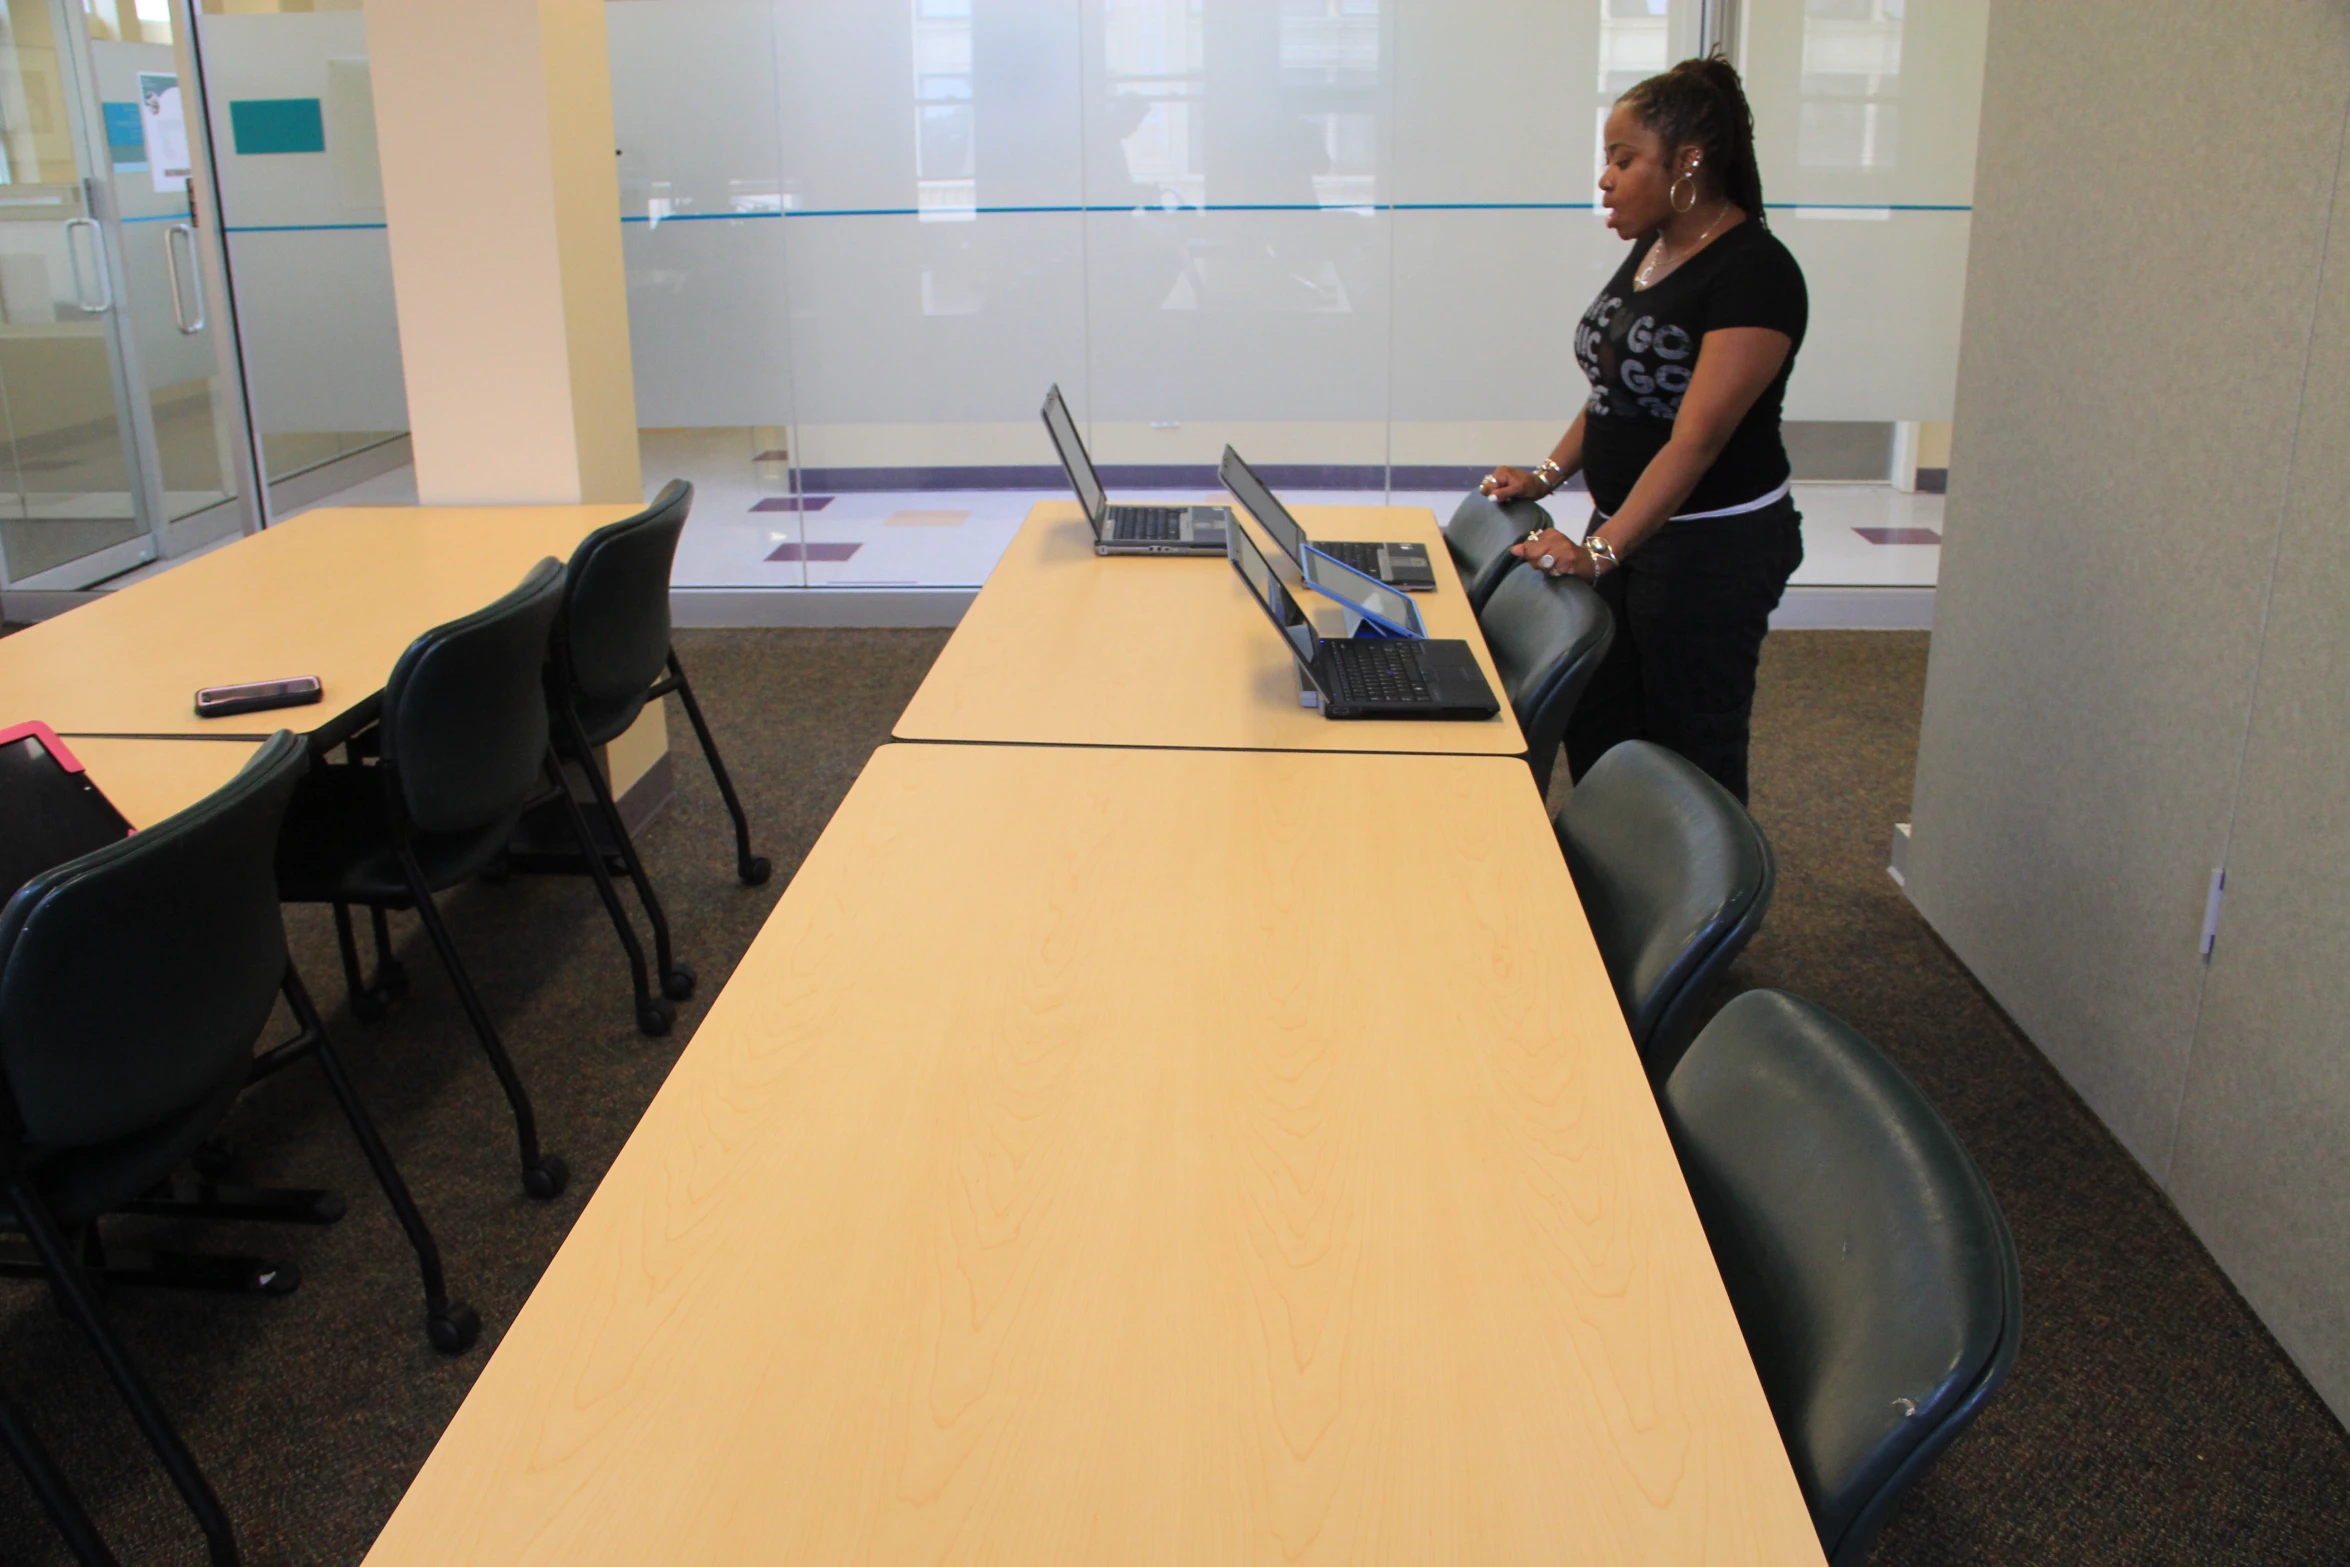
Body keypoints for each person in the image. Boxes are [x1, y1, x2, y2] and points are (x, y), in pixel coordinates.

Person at [1482, 56, 1806, 804]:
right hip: (1626, 533)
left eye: (1623, 160)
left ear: (1688, 160)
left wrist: (1601, 550)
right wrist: (1547, 476)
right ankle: (1615, 903)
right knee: (1602, 722)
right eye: (1608, 160)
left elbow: (1698, 438)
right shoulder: (1654, 250)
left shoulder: (1754, 271)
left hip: (1710, 548)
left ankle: (1697, 919)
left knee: (1689, 748)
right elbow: (1613, 390)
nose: (1606, 179)